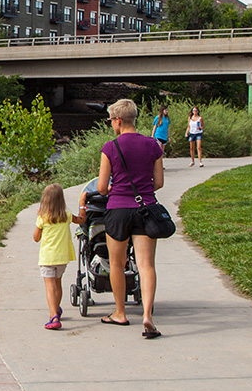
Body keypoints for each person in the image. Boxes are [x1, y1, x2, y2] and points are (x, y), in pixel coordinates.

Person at [98, 98, 165, 339]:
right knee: (146, 265)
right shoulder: (154, 145)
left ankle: (119, 313)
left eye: (110, 121)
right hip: (145, 209)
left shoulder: (110, 147)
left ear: (117, 120)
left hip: (118, 210)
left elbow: (102, 187)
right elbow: (158, 182)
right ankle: (147, 315)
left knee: (117, 264)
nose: (111, 125)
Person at [32, 183, 86, 330]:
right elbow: (81, 220)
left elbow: (36, 238)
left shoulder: (43, 218)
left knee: (49, 287)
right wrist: (82, 205)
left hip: (47, 258)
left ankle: (53, 316)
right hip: (62, 258)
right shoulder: (67, 216)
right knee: (57, 284)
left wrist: (39, 218)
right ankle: (56, 308)